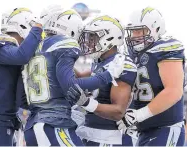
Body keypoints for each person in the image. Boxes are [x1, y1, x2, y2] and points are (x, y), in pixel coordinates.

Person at [22, 8, 126, 146]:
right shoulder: (64, 44)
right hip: (54, 125)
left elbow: (21, 97)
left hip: (32, 126)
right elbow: (70, 86)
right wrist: (107, 76)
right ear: (71, 29)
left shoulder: (34, 47)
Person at [117, 7, 185, 146]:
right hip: (143, 130)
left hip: (166, 127)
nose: (135, 36)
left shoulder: (165, 48)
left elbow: (174, 91)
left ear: (156, 28)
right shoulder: (131, 53)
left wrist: (138, 115)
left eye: (139, 31)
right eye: (133, 31)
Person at [66, 15, 137, 146]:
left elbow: (118, 111)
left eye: (93, 37)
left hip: (106, 139)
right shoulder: (99, 62)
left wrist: (86, 103)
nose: (89, 42)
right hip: (88, 133)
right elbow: (84, 83)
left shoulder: (121, 63)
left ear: (109, 38)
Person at [0, 8, 43, 146]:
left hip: (9, 121)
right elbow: (22, 55)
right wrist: (37, 29)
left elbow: (21, 96)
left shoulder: (11, 53)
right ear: (24, 27)